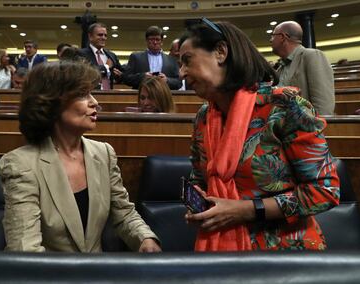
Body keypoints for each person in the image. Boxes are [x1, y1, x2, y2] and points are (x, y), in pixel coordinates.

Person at [179, 18, 340, 251]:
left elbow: (324, 191)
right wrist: (200, 203)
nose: (181, 72)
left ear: (221, 52)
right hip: (219, 249)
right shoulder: (204, 116)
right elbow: (198, 178)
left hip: (286, 256)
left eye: (187, 60)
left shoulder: (283, 105)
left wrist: (243, 211)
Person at [0, 60, 161, 253]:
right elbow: (25, 249)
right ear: (52, 102)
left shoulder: (103, 153)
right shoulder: (20, 164)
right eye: (83, 95)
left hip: (98, 274)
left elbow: (123, 213)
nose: (95, 102)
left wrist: (145, 239)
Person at [270, 21, 335, 115]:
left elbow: (324, 106)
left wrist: (316, 127)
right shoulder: (280, 66)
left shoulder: (312, 56)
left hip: (306, 127)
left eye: (273, 36)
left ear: (282, 37)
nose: (271, 40)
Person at [123, 26, 182, 90]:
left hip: (163, 96)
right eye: (152, 39)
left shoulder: (172, 60)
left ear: (162, 41)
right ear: (147, 41)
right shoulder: (136, 57)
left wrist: (167, 80)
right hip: (142, 95)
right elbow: (126, 79)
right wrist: (143, 77)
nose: (155, 42)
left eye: (157, 39)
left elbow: (179, 83)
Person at [79, 23, 123, 90]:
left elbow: (121, 74)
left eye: (105, 35)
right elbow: (86, 73)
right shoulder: (80, 54)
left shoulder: (111, 55)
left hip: (109, 96)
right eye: (100, 35)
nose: (103, 38)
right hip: (90, 95)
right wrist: (106, 67)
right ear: (90, 36)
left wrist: (119, 76)